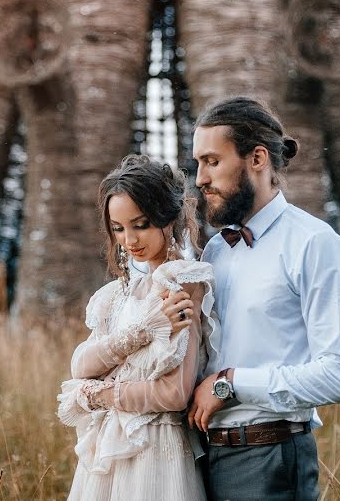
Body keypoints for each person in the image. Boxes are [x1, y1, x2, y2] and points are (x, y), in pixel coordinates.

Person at [161, 97, 340, 500]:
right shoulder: (217, 250)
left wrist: (232, 384)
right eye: (198, 163)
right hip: (201, 457)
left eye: (212, 161)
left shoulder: (316, 245)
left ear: (257, 158)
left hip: (269, 458)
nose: (199, 179)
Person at [58, 154, 218, 501]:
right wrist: (143, 331)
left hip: (155, 451)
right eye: (118, 228)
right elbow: (79, 365)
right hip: (107, 452)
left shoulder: (183, 281)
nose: (129, 240)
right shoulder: (113, 295)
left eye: (141, 224)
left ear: (167, 217)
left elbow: (174, 394)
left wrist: (97, 394)